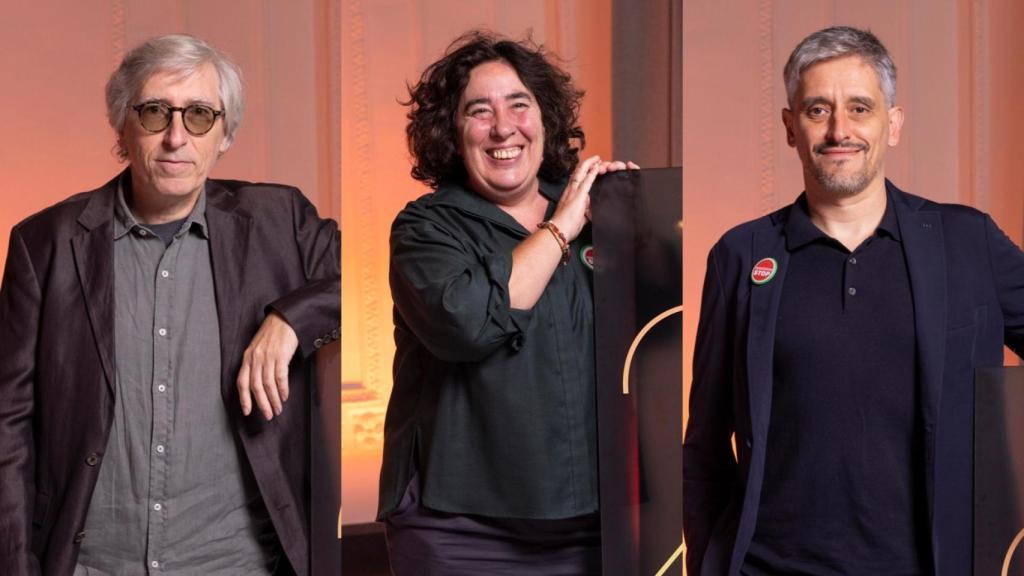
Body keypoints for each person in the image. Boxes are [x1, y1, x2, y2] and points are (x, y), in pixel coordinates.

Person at [684, 25, 1024, 576]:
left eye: (860, 108)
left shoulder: (969, 242)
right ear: (791, 128)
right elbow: (703, 446)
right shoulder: (740, 256)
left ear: (892, 125)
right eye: (818, 110)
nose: (840, 129)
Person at [0, 34, 339, 575]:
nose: (176, 137)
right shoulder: (43, 243)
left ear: (225, 133)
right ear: (122, 126)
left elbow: (380, 279)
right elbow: (8, 425)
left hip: (238, 563)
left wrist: (291, 319)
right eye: (155, 113)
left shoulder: (283, 220)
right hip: (91, 565)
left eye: (201, 115)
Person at [377, 31, 637, 575]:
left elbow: (654, 340)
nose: (503, 128)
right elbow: (468, 323)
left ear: (545, 119)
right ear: (451, 132)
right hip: (460, 531)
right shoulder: (425, 228)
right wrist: (561, 226)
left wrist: (645, 220)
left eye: (519, 105)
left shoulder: (601, 217)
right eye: (479, 111)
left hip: (595, 526)